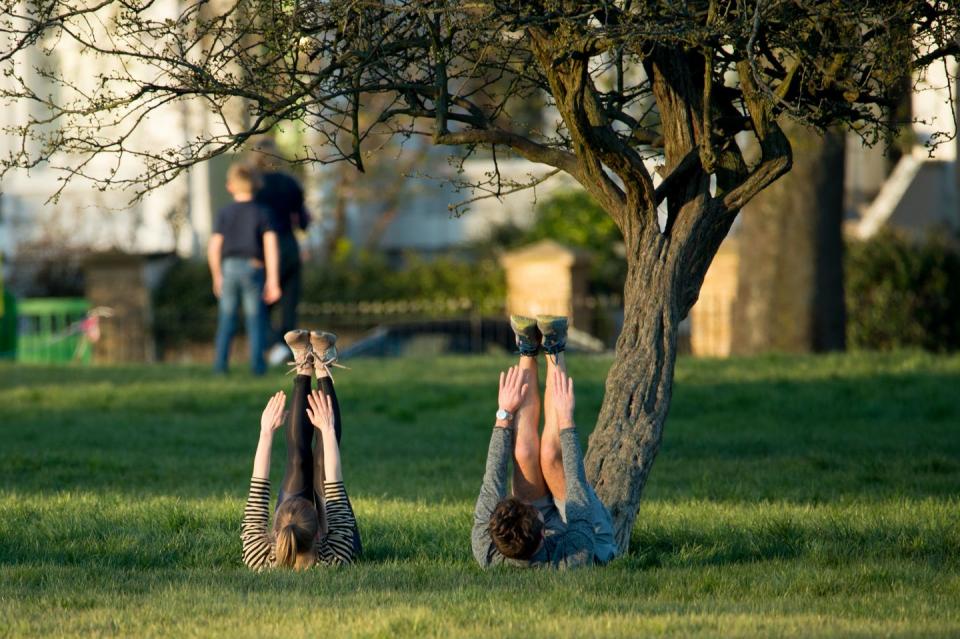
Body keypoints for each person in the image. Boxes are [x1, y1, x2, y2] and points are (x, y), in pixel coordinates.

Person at [472, 315, 619, 569]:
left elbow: (492, 479)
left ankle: (527, 348)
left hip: (540, 535)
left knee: (523, 452)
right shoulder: (574, 557)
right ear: (542, 533)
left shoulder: (486, 547)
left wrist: (504, 414)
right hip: (588, 533)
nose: (529, 503)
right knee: (551, 454)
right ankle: (555, 347)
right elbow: (576, 490)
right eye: (531, 508)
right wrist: (566, 421)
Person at [241, 329, 360, 570]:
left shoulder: (260, 556)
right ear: (319, 534)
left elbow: (258, 490)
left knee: (297, 463)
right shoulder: (338, 554)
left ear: (276, 533)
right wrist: (326, 429)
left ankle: (304, 363)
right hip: (339, 540)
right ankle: (322, 365)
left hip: (306, 537)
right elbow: (333, 486)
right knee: (318, 468)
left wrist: (266, 433)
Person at [207, 163, 282, 375]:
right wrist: (273, 280)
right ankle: (258, 367)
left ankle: (220, 367)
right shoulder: (263, 212)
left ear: (230, 186)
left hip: (229, 268)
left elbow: (213, 248)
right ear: (256, 185)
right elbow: (271, 246)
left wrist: (217, 276)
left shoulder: (224, 213)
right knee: (254, 319)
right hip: (253, 268)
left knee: (226, 319)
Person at [246, 138, 310, 364]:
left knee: (258, 305)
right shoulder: (290, 183)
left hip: (265, 249)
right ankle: (287, 350)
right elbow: (303, 219)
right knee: (289, 305)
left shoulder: (254, 187)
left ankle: (274, 346)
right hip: (291, 246)